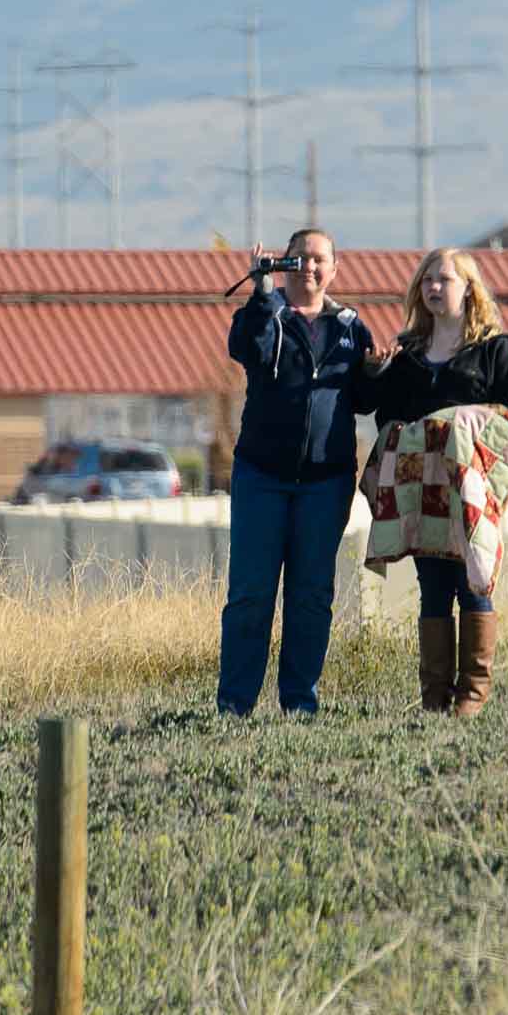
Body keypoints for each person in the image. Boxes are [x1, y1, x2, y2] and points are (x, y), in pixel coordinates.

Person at [357, 247, 508, 717]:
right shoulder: (406, 352)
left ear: (469, 289)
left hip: (470, 491)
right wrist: (375, 374)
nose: (434, 287)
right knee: (432, 588)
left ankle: (472, 695)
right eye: (427, 280)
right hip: (421, 493)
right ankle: (435, 698)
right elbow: (383, 413)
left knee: (474, 583)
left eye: (445, 279)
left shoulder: (494, 350)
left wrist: (466, 420)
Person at [217, 228, 375, 717]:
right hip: (262, 476)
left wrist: (379, 373)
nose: (309, 266)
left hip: (325, 483)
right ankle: (235, 706)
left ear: (335, 268)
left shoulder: (351, 328)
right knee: (250, 594)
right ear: (283, 265)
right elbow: (248, 350)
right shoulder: (267, 316)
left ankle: (299, 704)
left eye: (319, 259)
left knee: (310, 597)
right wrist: (261, 294)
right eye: (299, 258)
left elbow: (364, 400)